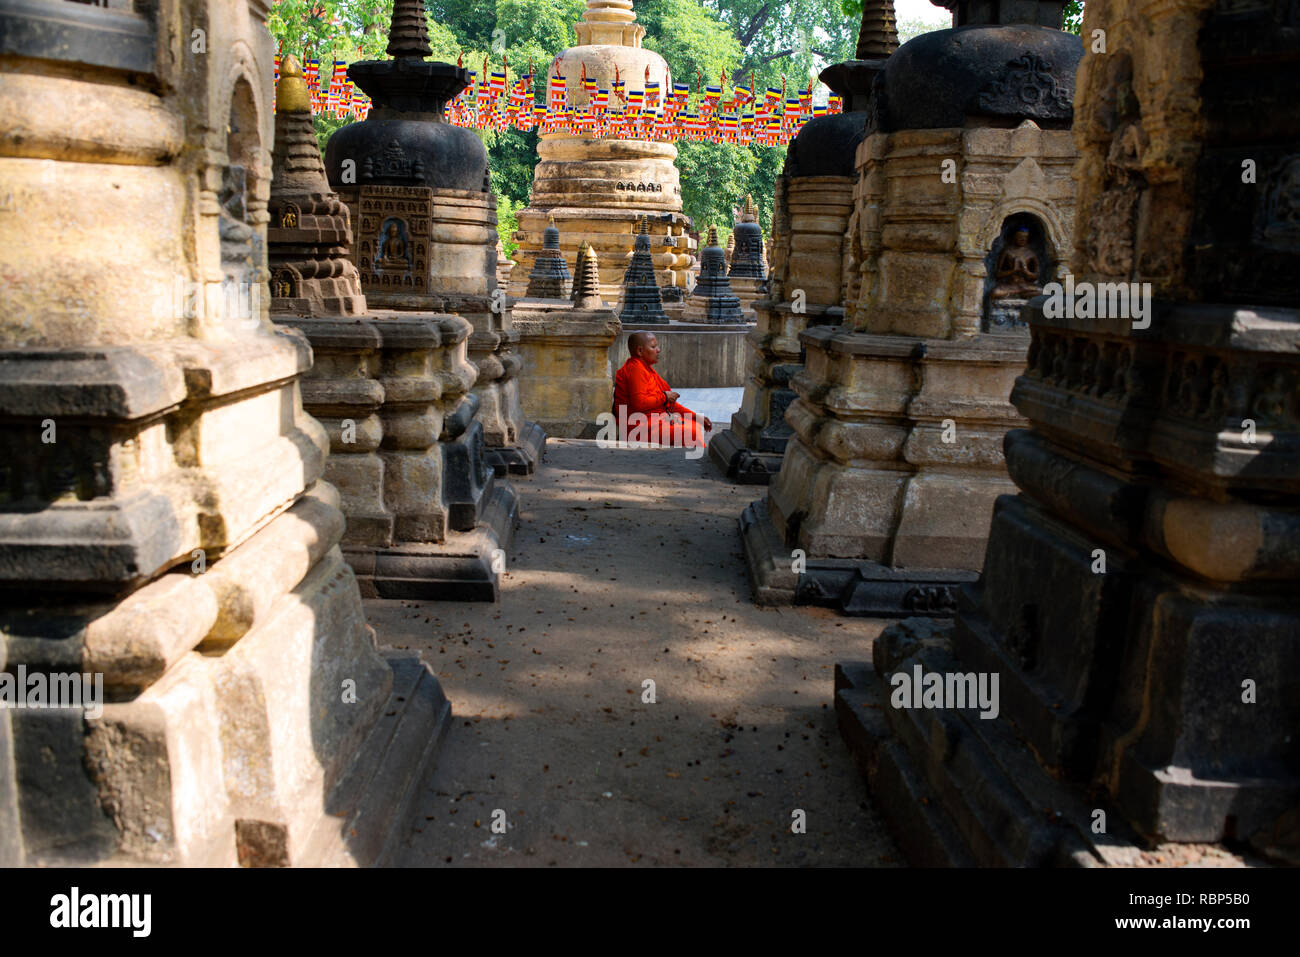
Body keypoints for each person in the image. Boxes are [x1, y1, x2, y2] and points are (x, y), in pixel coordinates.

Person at [612, 331, 712, 447]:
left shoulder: (646, 369)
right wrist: (664, 397)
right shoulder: (635, 370)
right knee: (691, 433)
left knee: (694, 424)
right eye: (653, 347)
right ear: (640, 351)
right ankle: (699, 463)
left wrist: (695, 416)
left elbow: (668, 404)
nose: (658, 350)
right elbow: (639, 403)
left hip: (652, 421)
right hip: (638, 427)